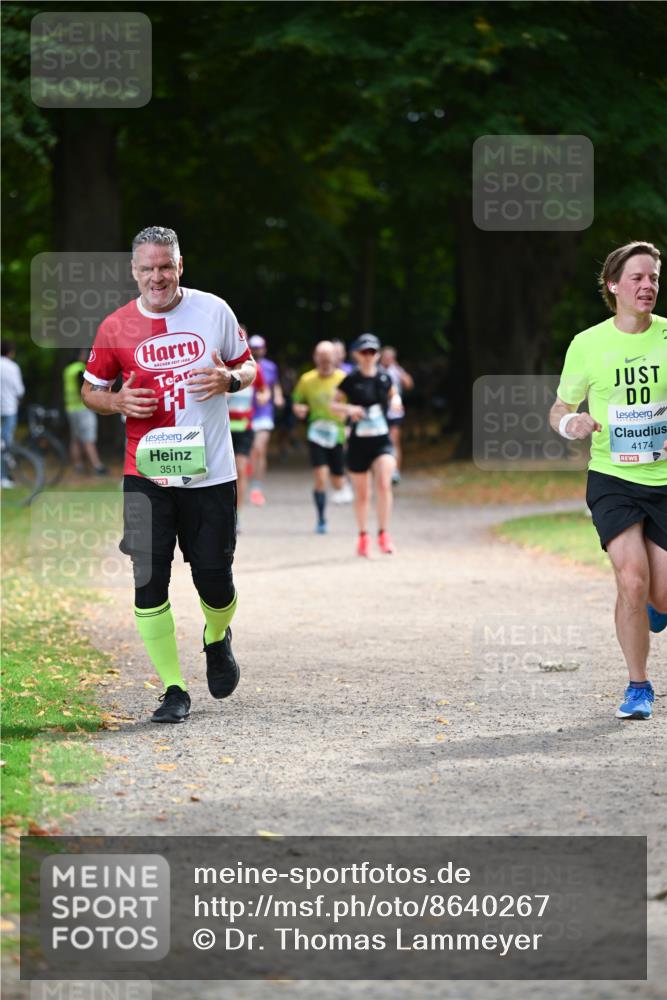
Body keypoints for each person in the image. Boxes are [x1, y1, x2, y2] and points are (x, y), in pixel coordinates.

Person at [82, 226, 258, 724]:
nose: (156, 276)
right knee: (148, 581)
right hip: (145, 474)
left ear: (180, 265)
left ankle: (217, 636)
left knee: (214, 582)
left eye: (165, 266)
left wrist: (229, 378)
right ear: (134, 272)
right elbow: (91, 389)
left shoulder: (214, 310)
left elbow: (248, 368)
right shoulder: (115, 326)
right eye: (147, 268)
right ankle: (173, 688)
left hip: (211, 475)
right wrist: (115, 401)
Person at [550, 240, 667, 721]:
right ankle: (638, 686)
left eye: (655, 278)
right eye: (638, 277)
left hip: (663, 480)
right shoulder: (588, 343)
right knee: (631, 581)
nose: (648, 286)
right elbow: (561, 406)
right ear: (613, 285)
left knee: (659, 593)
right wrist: (569, 424)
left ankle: (658, 605)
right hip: (612, 477)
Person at [332, 333, 401, 556]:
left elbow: (393, 394)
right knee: (363, 494)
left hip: (381, 441)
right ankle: (363, 535)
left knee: (383, 482)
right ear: (356, 355)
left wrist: (397, 401)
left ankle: (384, 533)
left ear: (378, 354)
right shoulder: (350, 380)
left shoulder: (384, 377)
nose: (369, 356)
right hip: (358, 444)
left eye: (373, 352)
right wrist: (350, 410)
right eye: (364, 352)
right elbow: (333, 405)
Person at [292, 340, 349, 533]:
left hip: (338, 433)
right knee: (320, 477)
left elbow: (356, 403)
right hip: (316, 433)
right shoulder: (307, 380)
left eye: (328, 359)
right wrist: (299, 409)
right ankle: (321, 518)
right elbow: (297, 402)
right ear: (315, 358)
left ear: (336, 357)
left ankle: (343, 483)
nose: (325, 363)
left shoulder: (344, 378)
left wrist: (348, 420)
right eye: (321, 359)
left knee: (338, 480)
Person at [228, 333, 268, 519]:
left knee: (241, 470)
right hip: (221, 429)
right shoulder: (220, 367)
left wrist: (263, 397)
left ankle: (236, 516)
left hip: (244, 427)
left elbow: (263, 389)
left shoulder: (253, 368)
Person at [248, 334, 284, 505]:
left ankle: (256, 487)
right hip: (246, 414)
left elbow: (274, 385)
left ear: (264, 349)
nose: (256, 351)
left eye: (259, 348)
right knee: (248, 452)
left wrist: (278, 397)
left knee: (259, 448)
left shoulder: (270, 367)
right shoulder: (245, 366)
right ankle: (245, 480)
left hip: (264, 412)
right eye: (253, 348)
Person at [63, 349, 108, 475]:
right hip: (83, 408)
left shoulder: (68, 369)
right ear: (81, 355)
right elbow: (83, 389)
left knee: (75, 438)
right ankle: (97, 466)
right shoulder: (81, 369)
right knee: (89, 438)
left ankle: (78, 465)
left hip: (71, 408)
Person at [379, 345, 414, 484]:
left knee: (394, 441)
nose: (388, 359)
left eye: (390, 357)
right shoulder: (376, 371)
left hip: (394, 412)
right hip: (380, 411)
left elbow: (409, 385)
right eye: (385, 356)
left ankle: (395, 471)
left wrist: (399, 370)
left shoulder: (397, 370)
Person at [0, 340, 25, 488]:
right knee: (6, 444)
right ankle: (4, 477)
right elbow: (19, 390)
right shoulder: (12, 367)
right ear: (10, 352)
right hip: (9, 408)